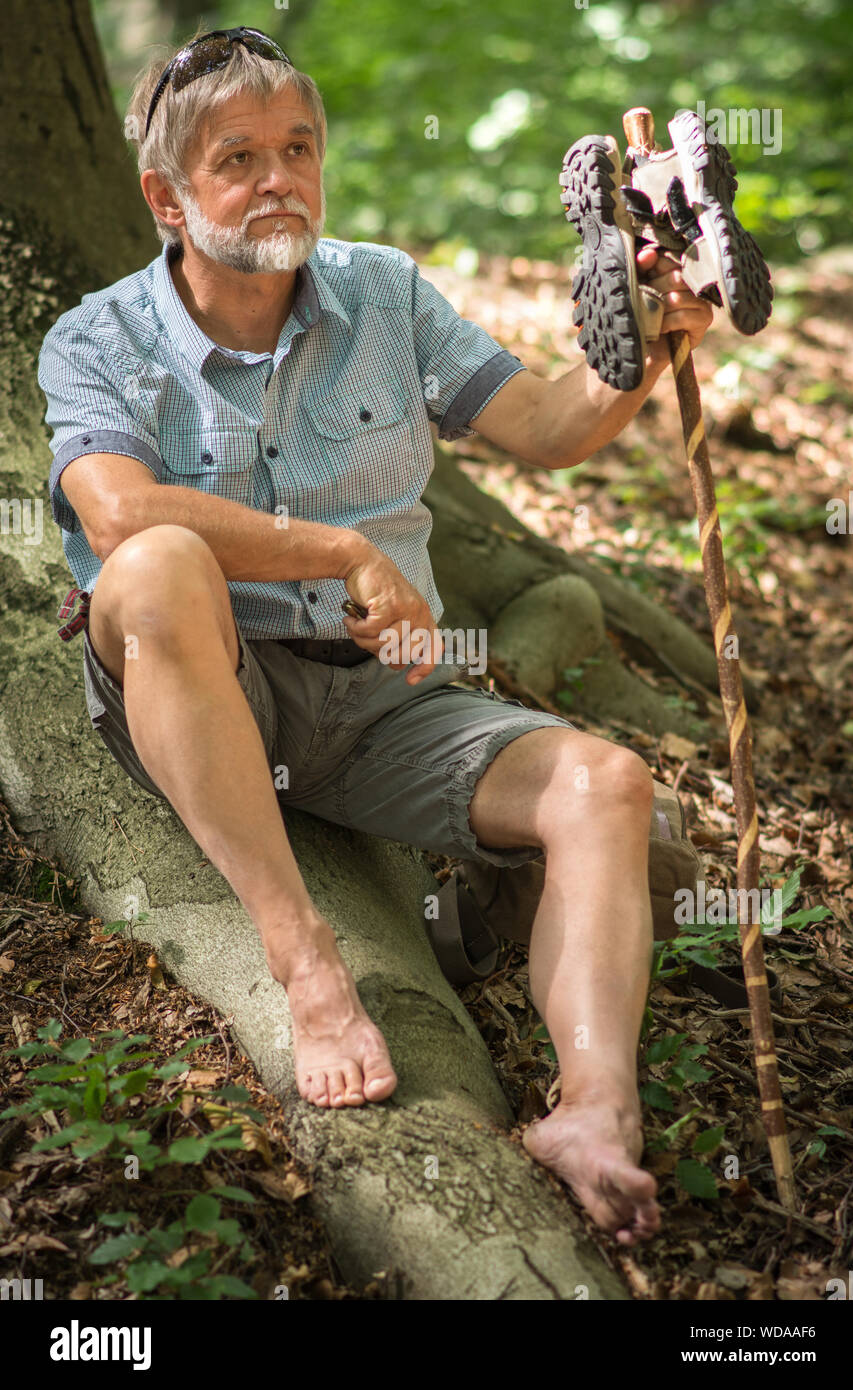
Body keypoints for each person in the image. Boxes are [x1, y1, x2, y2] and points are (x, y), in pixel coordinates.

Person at [38, 27, 713, 1246]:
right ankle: (309, 971)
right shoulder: (97, 337)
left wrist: (649, 341)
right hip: (204, 683)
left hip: (386, 701)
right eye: (236, 158)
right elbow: (119, 511)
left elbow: (546, 425)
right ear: (166, 197)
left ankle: (593, 1114)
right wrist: (342, 551)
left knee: (607, 789)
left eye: (297, 148)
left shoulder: (384, 293)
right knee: (156, 565)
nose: (277, 177)